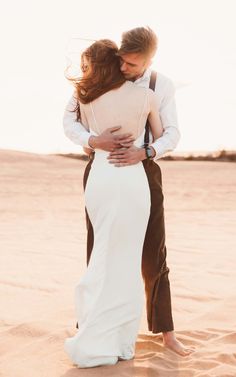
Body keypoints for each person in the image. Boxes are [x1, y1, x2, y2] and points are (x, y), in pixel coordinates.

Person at [63, 27, 194, 356]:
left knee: (153, 253)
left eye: (133, 65)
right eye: (122, 61)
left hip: (144, 171)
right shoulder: (100, 76)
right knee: (100, 249)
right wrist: (93, 141)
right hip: (102, 170)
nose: (124, 69)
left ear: (150, 60)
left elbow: (173, 134)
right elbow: (70, 121)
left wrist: (145, 152)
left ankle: (166, 333)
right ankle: (90, 325)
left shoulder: (158, 86)